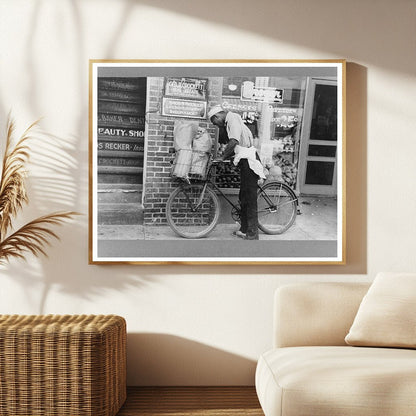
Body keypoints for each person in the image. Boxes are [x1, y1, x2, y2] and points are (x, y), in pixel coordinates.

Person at [207, 105, 265, 240]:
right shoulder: (229, 122)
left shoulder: (232, 119)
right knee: (243, 196)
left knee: (250, 198)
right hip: (244, 160)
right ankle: (244, 229)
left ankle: (253, 233)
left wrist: (222, 157)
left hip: (249, 160)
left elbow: (234, 141)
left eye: (214, 122)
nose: (216, 125)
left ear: (217, 117)